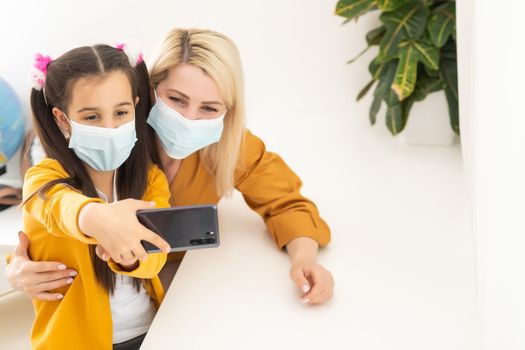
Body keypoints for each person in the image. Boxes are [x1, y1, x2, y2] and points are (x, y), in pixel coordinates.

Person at [7, 28, 335, 307]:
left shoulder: (230, 145)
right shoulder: (111, 138)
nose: (189, 119)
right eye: (176, 99)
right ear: (147, 91)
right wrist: (18, 268)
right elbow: (50, 200)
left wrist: (304, 260)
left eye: (209, 108)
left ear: (228, 112)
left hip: (180, 293)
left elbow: (287, 202)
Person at [21, 44, 171, 349]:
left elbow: (155, 260)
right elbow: (58, 206)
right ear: (63, 120)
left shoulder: (150, 178)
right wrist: (94, 217)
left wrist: (127, 256)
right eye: (92, 117)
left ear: (135, 107)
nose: (110, 127)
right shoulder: (43, 177)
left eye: (120, 112)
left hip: (154, 331)